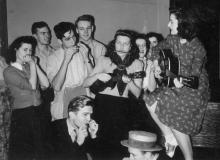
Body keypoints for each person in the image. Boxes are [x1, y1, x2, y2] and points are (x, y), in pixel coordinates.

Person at [143, 8, 210, 160]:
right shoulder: (172, 39)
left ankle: (188, 158)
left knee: (174, 111)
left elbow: (195, 75)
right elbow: (156, 49)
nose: (168, 24)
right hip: (174, 82)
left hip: (194, 88)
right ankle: (169, 137)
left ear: (183, 24)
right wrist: (156, 62)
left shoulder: (198, 47)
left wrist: (181, 80)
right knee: (149, 101)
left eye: (172, 21)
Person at [83, 29, 145, 159]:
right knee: (100, 146)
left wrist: (129, 82)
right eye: (119, 43)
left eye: (126, 44)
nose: (121, 46)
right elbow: (86, 83)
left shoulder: (137, 63)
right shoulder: (104, 60)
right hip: (103, 105)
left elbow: (138, 93)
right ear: (114, 43)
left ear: (131, 46)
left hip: (124, 108)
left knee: (120, 147)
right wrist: (99, 75)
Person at [3, 36, 49, 160]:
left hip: (38, 111)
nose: (29, 53)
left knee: (41, 149)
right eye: (25, 49)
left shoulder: (30, 67)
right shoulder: (9, 71)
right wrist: (33, 64)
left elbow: (46, 84)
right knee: (24, 152)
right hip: (23, 114)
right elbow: (32, 86)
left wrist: (36, 65)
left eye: (30, 50)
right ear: (15, 50)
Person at [46, 22, 93, 121]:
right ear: (60, 41)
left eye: (74, 37)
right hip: (64, 98)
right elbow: (57, 87)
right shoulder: (53, 57)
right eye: (67, 39)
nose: (72, 41)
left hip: (84, 93)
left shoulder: (83, 50)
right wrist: (66, 60)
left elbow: (94, 79)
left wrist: (86, 58)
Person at [52, 95, 98, 160]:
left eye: (90, 115)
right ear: (72, 115)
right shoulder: (53, 130)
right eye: (85, 114)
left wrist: (93, 135)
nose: (89, 119)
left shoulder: (84, 127)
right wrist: (78, 142)